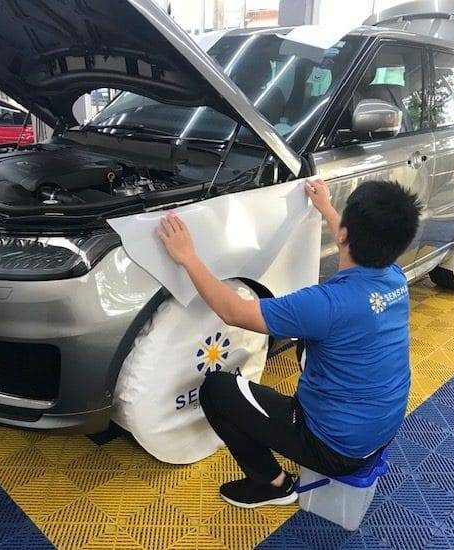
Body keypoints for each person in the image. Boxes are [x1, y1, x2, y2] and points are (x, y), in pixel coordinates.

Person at [157, 176, 421, 509]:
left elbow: (233, 311)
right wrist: (325, 206)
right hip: (379, 433)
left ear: (344, 235)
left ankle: (273, 485)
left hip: (335, 448)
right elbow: (357, 240)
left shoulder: (327, 303)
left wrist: (188, 257)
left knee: (216, 390)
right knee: (310, 345)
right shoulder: (394, 275)